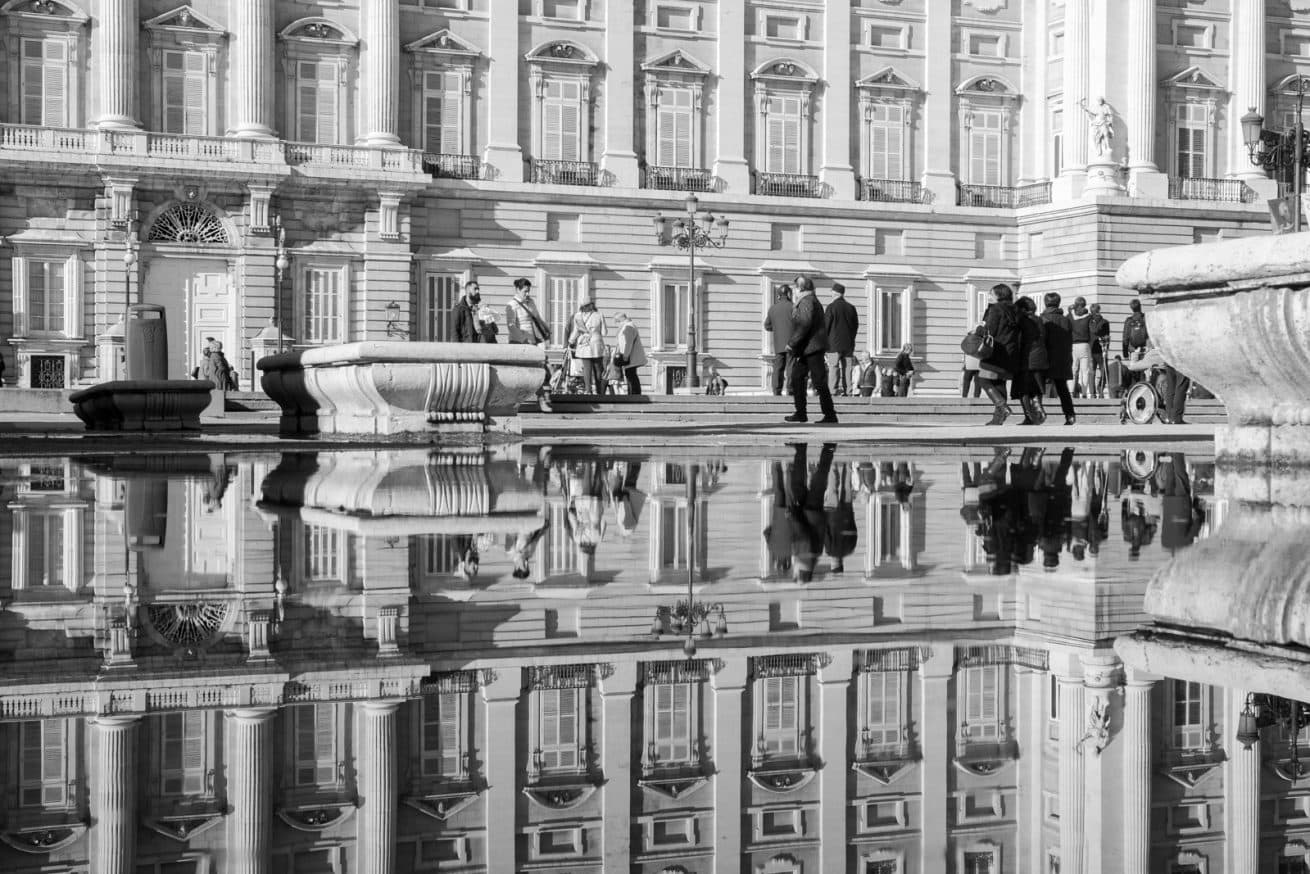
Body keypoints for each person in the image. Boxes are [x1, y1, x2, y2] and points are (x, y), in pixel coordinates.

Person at [784, 276, 838, 424]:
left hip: (812, 347)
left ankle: (829, 414)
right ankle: (801, 413)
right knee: (797, 377)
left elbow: (804, 324)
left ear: (801, 288)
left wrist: (792, 343)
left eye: (795, 288)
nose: (794, 291)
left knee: (818, 381)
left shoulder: (807, 301)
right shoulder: (810, 300)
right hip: (808, 348)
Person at [505, 277, 553, 412]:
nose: (527, 294)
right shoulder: (511, 305)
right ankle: (513, 403)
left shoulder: (530, 302)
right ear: (517, 289)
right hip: (518, 343)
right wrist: (523, 339)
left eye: (528, 291)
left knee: (539, 370)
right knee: (518, 374)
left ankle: (542, 400)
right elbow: (511, 326)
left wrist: (546, 332)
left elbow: (537, 318)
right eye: (525, 291)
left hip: (532, 342)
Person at [976, 283, 1020, 426]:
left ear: (998, 295)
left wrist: (978, 330)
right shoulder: (1015, 310)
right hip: (1011, 351)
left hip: (996, 350)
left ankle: (1002, 406)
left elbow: (990, 330)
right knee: (1000, 383)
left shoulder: (996, 309)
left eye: (991, 294)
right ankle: (998, 418)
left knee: (983, 380)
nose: (989, 297)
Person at [1123, 343, 1191, 424]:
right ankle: (1176, 418)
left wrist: (1135, 354)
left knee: (1171, 388)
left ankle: (1170, 417)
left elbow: (1133, 367)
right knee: (1181, 386)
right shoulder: (1155, 354)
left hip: (1168, 361)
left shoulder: (1154, 353)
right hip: (1179, 358)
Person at [1040, 292, 1077, 425]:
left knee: (1038, 387)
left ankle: (1038, 414)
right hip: (1063, 357)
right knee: (1063, 389)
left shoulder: (1042, 319)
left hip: (1046, 357)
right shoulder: (1066, 320)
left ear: (1045, 303)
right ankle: (1070, 415)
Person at [1012, 297, 1049, 425]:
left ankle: (1029, 417)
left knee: (1023, 389)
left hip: (1026, 358)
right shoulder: (1040, 320)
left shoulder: (1021, 321)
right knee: (1036, 386)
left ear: (1022, 309)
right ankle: (1037, 405)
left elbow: (1018, 340)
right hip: (1040, 357)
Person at [824, 282, 859, 396]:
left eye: (832, 292)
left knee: (833, 367)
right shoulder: (851, 308)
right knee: (847, 368)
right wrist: (851, 338)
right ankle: (848, 391)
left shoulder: (831, 307)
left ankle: (832, 391)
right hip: (848, 344)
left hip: (833, 344)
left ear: (835, 293)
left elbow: (826, 326)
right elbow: (855, 326)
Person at [568, 298, 608, 394]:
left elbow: (576, 331)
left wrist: (571, 341)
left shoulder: (578, 316)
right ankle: (600, 392)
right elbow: (604, 332)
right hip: (596, 343)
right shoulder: (599, 315)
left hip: (584, 343)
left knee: (587, 369)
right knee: (598, 369)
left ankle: (588, 390)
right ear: (591, 305)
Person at [764, 285, 794, 396]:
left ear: (778, 295)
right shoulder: (794, 307)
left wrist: (777, 328)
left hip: (778, 343)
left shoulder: (773, 308)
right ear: (789, 294)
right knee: (791, 366)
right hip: (792, 343)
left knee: (778, 367)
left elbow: (767, 326)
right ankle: (790, 389)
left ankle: (776, 390)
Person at [612, 313, 646, 395]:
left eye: (617, 321)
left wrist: (625, 356)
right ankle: (633, 394)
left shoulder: (628, 327)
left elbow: (628, 343)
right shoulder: (628, 326)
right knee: (630, 375)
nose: (617, 323)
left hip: (630, 356)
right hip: (631, 355)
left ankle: (634, 395)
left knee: (631, 375)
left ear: (620, 319)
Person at [1068, 296, 1093, 398]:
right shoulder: (1088, 317)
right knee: (1085, 370)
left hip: (1073, 345)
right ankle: (1084, 393)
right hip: (1084, 344)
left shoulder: (1070, 316)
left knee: (1073, 369)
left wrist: (1070, 309)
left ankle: (1070, 392)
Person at [1122, 299, 1150, 385]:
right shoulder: (1146, 318)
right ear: (1140, 306)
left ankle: (1135, 388)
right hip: (1145, 349)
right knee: (1146, 372)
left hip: (1133, 349)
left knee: (1133, 371)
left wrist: (1125, 353)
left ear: (1131, 308)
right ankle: (1145, 387)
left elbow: (1125, 337)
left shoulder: (1129, 321)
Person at [1087, 303, 1111, 397]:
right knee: (1092, 371)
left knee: (1104, 371)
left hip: (1101, 350)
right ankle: (1093, 393)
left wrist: (1106, 348)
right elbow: (1093, 331)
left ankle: (1100, 389)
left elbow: (1107, 336)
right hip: (1091, 349)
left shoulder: (1105, 322)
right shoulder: (1089, 322)